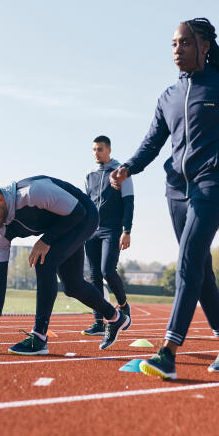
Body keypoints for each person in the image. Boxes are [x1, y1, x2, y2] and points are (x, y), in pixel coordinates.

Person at [110, 18, 219, 379]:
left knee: (188, 258)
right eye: (173, 44)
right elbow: (151, 143)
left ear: (204, 46)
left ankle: (168, 350)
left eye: (185, 43)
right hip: (175, 190)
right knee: (200, 269)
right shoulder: (167, 97)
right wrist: (127, 167)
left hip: (212, 183)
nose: (177, 49)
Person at [0, 176, 131, 355]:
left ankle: (39, 338)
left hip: (84, 214)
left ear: (0, 199)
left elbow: (78, 212)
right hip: (61, 223)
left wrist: (47, 240)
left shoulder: (33, 193)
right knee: (73, 286)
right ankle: (115, 317)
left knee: (44, 261)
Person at [81, 135, 134, 336]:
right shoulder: (89, 174)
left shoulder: (121, 172)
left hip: (112, 229)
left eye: (100, 149)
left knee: (107, 271)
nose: (96, 153)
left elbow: (129, 202)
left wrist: (127, 231)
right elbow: (87, 203)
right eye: (94, 149)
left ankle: (123, 305)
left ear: (109, 150)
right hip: (91, 230)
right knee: (93, 277)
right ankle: (98, 321)